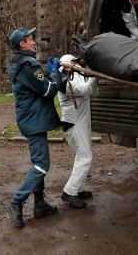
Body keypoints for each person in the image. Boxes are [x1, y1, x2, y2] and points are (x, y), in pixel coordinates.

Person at [5, 27, 62, 229]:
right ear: (22, 43)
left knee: (38, 163)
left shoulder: (21, 63)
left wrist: (47, 73)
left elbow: (38, 85)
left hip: (31, 118)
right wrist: (56, 72)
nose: (34, 42)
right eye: (31, 39)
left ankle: (40, 205)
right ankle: (16, 201)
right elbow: (48, 90)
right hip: (34, 120)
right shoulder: (28, 63)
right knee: (41, 165)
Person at [58, 54, 99, 209]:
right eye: (74, 62)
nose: (78, 64)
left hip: (81, 124)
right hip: (74, 126)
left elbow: (86, 81)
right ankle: (69, 192)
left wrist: (91, 71)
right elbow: (88, 89)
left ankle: (78, 188)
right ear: (67, 64)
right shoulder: (65, 81)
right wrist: (96, 74)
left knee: (82, 156)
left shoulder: (74, 76)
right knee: (85, 157)